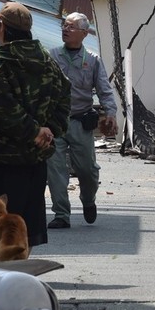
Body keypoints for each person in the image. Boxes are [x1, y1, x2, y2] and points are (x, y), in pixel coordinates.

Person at [0, 1, 71, 248]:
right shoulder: (48, 61)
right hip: (34, 162)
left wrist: (34, 131)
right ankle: (19, 280)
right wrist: (49, 131)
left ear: (1, 27)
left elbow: (4, 108)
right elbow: (65, 97)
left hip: (0, 160)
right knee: (22, 235)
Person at [46, 12, 118, 229]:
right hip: (55, 123)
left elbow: (104, 90)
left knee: (87, 170)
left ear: (84, 34)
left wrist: (111, 113)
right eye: (64, 25)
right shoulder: (52, 56)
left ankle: (88, 200)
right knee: (55, 170)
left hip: (80, 122)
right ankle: (61, 214)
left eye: (71, 27)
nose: (65, 30)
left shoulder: (93, 60)